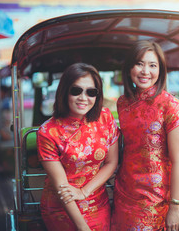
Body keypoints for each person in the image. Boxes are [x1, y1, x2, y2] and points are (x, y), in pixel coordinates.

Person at [111, 40, 179, 231]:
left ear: (161, 70)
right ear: (129, 68)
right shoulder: (123, 103)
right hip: (124, 192)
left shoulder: (171, 106)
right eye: (139, 63)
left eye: (152, 65)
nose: (145, 71)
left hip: (156, 197)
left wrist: (174, 208)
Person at [37, 63, 120, 231]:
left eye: (91, 92)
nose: (83, 98)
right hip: (63, 208)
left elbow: (111, 163)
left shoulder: (105, 117)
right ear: (64, 91)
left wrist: (84, 192)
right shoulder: (48, 132)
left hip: (98, 203)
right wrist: (82, 228)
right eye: (76, 90)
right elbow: (61, 186)